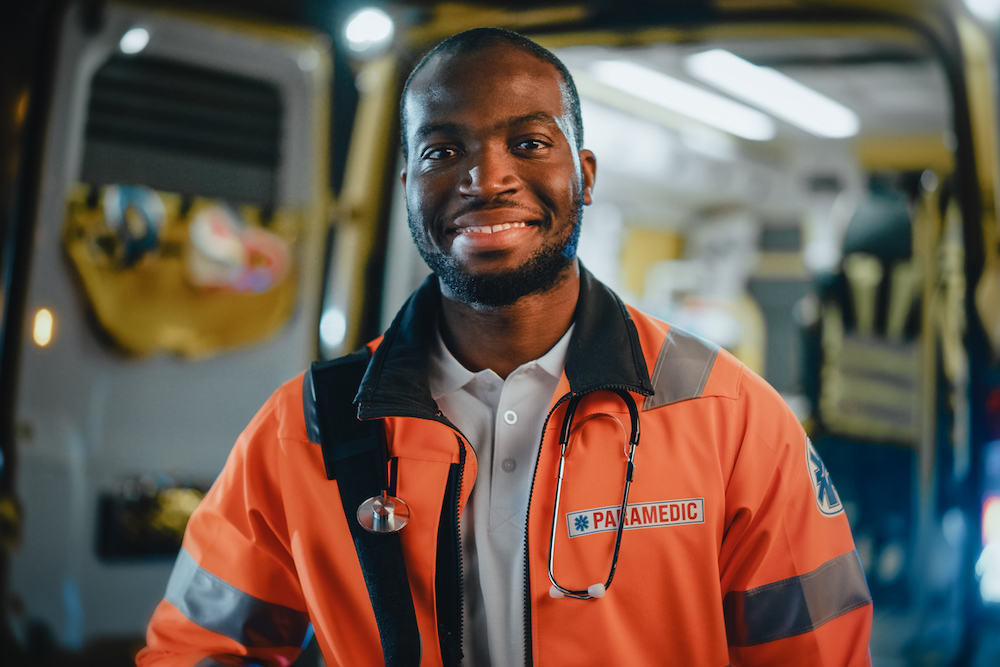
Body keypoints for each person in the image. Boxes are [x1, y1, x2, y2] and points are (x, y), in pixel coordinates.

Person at [138, 27, 873, 667]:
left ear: (582, 177)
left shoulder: (728, 418)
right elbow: (197, 645)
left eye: (527, 142)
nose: (485, 177)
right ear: (406, 188)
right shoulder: (306, 428)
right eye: (442, 149)